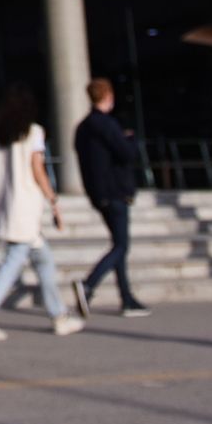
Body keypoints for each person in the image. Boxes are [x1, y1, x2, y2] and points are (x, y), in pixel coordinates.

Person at [0, 83, 83, 340]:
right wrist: (52, 198)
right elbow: (37, 169)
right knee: (15, 260)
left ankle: (59, 315)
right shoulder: (33, 132)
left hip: (6, 206)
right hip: (26, 208)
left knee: (44, 261)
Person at [71, 78, 149, 318]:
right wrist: (130, 139)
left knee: (119, 244)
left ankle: (126, 297)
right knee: (121, 245)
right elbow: (126, 153)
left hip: (98, 193)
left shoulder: (83, 127)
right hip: (115, 191)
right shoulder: (106, 124)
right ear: (108, 96)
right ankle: (89, 284)